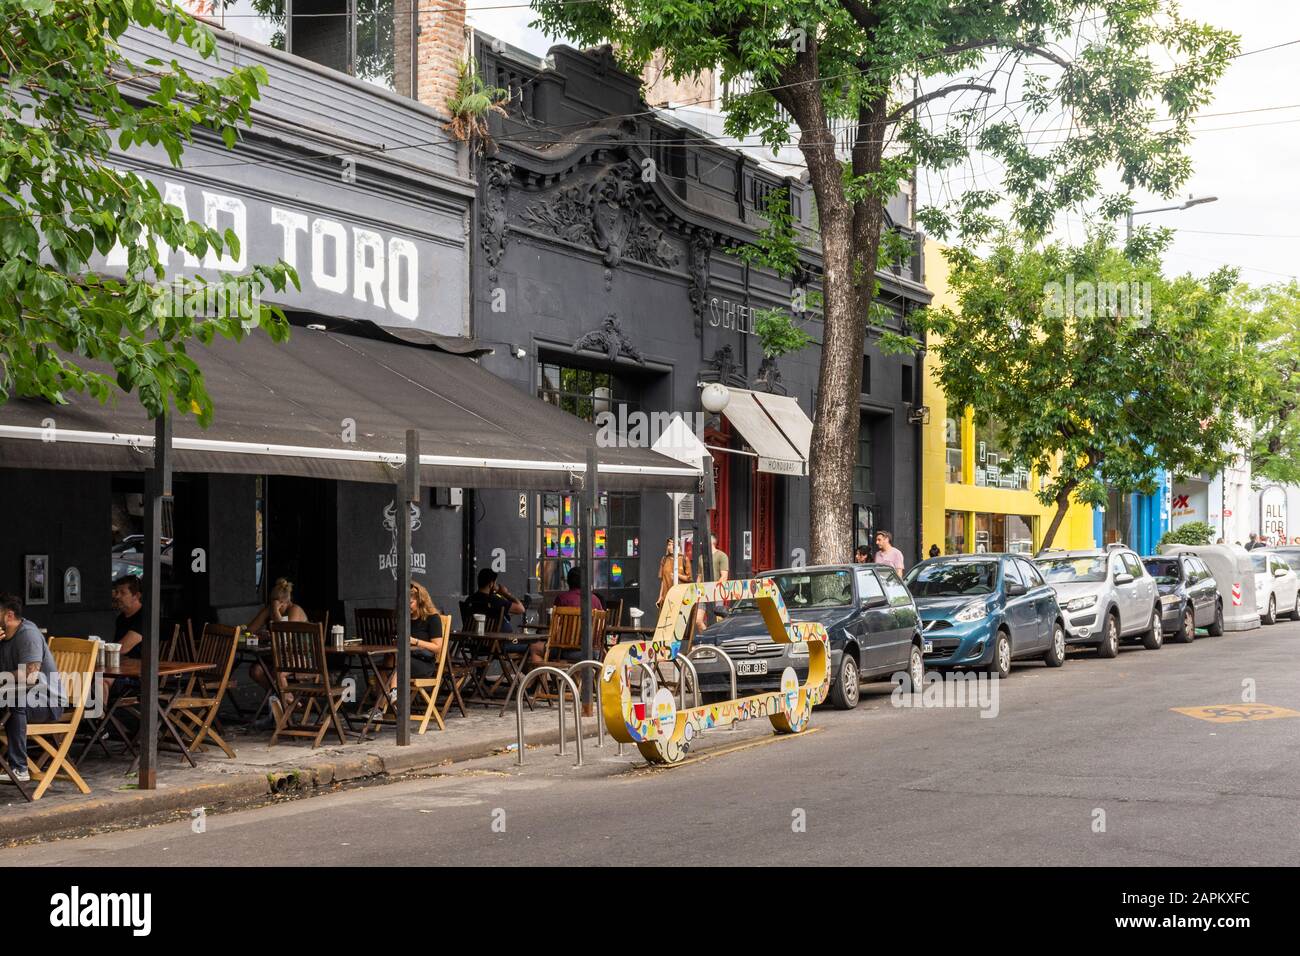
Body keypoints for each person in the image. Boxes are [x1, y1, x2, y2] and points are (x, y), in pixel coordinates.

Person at [0, 594, 63, 784]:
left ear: (9, 616)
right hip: (14, 696)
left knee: (13, 702)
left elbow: (30, 676)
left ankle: (19, 768)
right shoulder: (3, 637)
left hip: (47, 701)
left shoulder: (28, 634)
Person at [368, 583, 446, 720]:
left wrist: (413, 641)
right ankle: (384, 703)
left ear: (420, 601)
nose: (407, 606)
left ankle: (392, 695)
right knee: (383, 666)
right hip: (403, 660)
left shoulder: (432, 618)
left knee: (398, 661)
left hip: (423, 663)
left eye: (410, 602)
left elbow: (437, 647)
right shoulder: (404, 619)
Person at [247, 578, 309, 720]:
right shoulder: (270, 609)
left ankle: (286, 713)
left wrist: (275, 611)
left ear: (284, 603)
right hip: (280, 657)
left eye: (276, 605)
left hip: (304, 658)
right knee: (255, 671)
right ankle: (287, 700)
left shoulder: (295, 610)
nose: (273, 608)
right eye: (272, 605)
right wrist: (261, 633)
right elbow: (249, 630)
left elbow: (284, 633)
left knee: (279, 671)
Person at [110, 574, 145, 659]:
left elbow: (122, 648)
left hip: (141, 669)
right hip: (124, 666)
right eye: (117, 592)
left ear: (136, 596)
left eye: (122, 592)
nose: (117, 596)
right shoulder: (121, 618)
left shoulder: (144, 617)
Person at [657, 538, 690, 607]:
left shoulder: (684, 559)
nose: (671, 547)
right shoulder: (664, 559)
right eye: (669, 545)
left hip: (680, 596)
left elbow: (688, 579)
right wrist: (660, 597)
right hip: (666, 597)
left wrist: (677, 575)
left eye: (673, 545)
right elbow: (663, 580)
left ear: (678, 546)